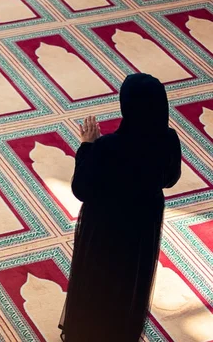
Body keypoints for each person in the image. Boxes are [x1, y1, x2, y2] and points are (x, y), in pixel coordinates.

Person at [59, 73, 182, 341]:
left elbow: (81, 189)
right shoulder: (168, 139)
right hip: (142, 223)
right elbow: (170, 179)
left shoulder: (107, 147)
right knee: (130, 277)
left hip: (106, 226)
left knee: (99, 277)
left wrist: (86, 147)